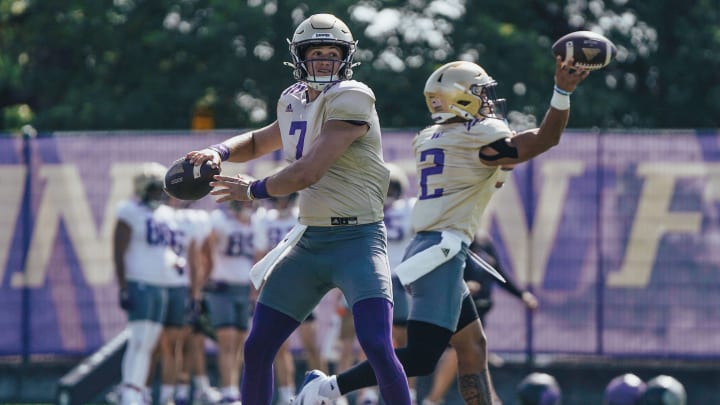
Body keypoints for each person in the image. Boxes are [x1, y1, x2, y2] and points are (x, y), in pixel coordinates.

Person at [293, 56, 591, 405]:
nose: (487, 100)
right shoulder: (478, 135)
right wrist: (562, 92)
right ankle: (326, 389)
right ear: (460, 97)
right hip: (441, 252)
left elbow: (487, 172)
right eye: (480, 92)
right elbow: (545, 139)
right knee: (421, 356)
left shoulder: (432, 137)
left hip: (434, 249)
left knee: (473, 346)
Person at [185, 13, 412, 405]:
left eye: (331, 53)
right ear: (300, 57)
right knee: (257, 348)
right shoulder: (292, 99)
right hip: (309, 241)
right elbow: (260, 141)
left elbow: (308, 172)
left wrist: (252, 189)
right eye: (316, 52)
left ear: (345, 58)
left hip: (358, 241)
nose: (324, 60)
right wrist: (218, 150)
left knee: (376, 344)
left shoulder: (353, 96)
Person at [422, 230, 539, 405]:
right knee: (458, 352)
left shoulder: (485, 243)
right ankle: (432, 400)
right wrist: (461, 285)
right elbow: (436, 274)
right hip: (455, 310)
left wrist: (521, 295)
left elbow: (497, 273)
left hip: (478, 312)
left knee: (476, 354)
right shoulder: (449, 243)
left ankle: (489, 400)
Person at [113, 163, 180, 405]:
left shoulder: (163, 214)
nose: (158, 194)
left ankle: (136, 389)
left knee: (149, 341)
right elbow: (118, 250)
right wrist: (122, 286)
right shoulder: (129, 210)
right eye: (153, 188)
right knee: (139, 338)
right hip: (139, 282)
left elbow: (165, 250)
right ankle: (130, 390)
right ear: (142, 188)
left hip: (160, 283)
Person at [253, 188, 327, 404]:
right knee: (280, 347)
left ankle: (322, 394)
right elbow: (260, 255)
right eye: (277, 196)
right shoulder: (264, 221)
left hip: (304, 285)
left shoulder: (303, 215)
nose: (281, 200)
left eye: (284, 195)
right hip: (277, 286)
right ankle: (286, 396)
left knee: (311, 344)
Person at [199, 200, 256, 404]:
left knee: (240, 341)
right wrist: (207, 275)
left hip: (243, 288)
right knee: (227, 340)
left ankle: (232, 387)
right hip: (221, 286)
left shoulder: (256, 222)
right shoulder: (220, 220)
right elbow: (205, 248)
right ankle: (227, 389)